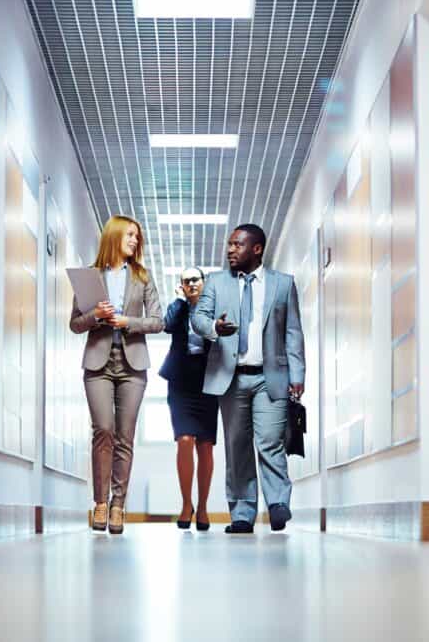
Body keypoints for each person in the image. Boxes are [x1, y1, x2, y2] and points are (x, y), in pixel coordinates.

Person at [191, 224, 305, 534]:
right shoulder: (215, 282)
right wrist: (214, 327)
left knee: (271, 442)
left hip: (271, 377)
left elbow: (292, 332)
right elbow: (198, 318)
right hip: (231, 378)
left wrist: (298, 374)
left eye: (237, 245)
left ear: (256, 249)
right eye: (229, 244)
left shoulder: (283, 285)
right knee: (237, 447)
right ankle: (242, 513)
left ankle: (278, 502)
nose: (230, 250)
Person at [70, 215, 163, 535]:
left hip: (133, 364)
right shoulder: (89, 276)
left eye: (138, 236)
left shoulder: (142, 276)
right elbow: (75, 324)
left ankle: (118, 505)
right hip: (98, 363)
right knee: (104, 431)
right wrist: (96, 315)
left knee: (125, 436)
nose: (135, 241)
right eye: (130, 235)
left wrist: (127, 322)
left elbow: (157, 321)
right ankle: (99, 502)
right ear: (114, 236)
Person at [159, 267, 218, 532]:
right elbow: (168, 326)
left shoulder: (214, 308)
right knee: (184, 440)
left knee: (205, 445)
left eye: (195, 279)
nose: (191, 283)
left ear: (204, 283)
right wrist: (181, 300)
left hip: (208, 380)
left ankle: (203, 507)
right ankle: (186, 504)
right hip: (181, 382)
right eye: (186, 281)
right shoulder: (179, 308)